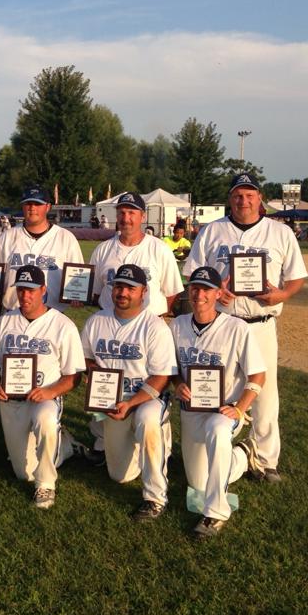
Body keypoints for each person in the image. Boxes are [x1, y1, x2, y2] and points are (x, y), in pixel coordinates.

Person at [183, 173, 307, 483]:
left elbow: (296, 278)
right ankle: (211, 447)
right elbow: (193, 273)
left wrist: (281, 294)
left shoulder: (280, 232)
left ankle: (265, 460)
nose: (244, 200)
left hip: (260, 322)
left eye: (250, 194)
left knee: (265, 393)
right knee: (215, 387)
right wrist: (213, 289)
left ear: (259, 198)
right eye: (238, 194)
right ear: (230, 198)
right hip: (221, 324)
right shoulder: (212, 231)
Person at [169, 266, 266, 539]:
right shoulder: (177, 325)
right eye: (195, 288)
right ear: (189, 290)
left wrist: (239, 409)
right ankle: (243, 456)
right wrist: (178, 385)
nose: (200, 294)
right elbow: (171, 368)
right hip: (192, 409)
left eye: (207, 289)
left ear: (219, 293)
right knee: (198, 482)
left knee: (217, 430)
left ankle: (216, 513)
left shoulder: (236, 327)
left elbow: (258, 374)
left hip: (226, 408)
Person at [86, 191, 183, 465]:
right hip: (110, 327)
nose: (126, 217)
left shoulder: (159, 248)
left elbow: (172, 291)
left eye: (132, 212)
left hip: (148, 331)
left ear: (142, 216)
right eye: (122, 212)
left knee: (151, 387)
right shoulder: (103, 250)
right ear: (116, 216)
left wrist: (151, 319)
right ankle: (103, 441)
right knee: (108, 386)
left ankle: (158, 436)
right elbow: (95, 291)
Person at [80, 264, 177, 521]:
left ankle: (155, 497)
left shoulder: (154, 327)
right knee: (119, 476)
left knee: (147, 419)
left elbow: (162, 377)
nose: (123, 292)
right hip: (113, 401)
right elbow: (86, 359)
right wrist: (96, 376)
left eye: (130, 288)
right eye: (118, 286)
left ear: (144, 292)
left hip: (147, 397)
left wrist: (131, 402)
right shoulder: (97, 321)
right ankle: (141, 444)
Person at [0, 266, 85, 509]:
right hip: (12, 399)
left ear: (43, 290)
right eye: (20, 290)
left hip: (45, 397)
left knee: (46, 419)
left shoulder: (62, 325)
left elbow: (74, 377)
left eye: (30, 290)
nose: (25, 296)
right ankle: (66, 447)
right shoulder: (5, 321)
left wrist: (50, 392)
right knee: (24, 473)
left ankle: (46, 485)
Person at [0, 185, 84, 315]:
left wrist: (78, 295)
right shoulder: (8, 236)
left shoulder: (65, 238)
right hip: (13, 313)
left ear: (48, 207)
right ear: (23, 206)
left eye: (38, 203)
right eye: (28, 203)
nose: (32, 208)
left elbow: (78, 276)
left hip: (52, 315)